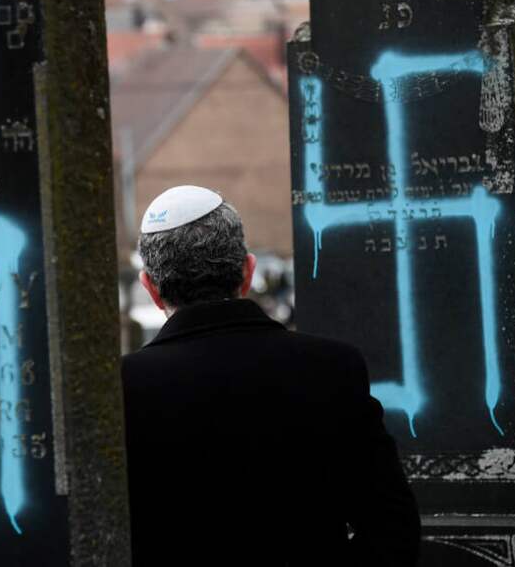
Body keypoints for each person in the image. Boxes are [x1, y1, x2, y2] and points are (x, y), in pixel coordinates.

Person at [122, 185, 421, 566]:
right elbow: (392, 525)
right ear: (248, 271)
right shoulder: (332, 367)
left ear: (150, 288)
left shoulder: (125, 387)